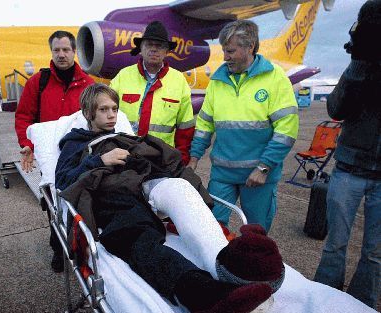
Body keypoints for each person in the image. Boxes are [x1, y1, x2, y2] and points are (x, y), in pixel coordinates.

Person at [55, 83, 285, 313]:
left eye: (114, 108)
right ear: (88, 113)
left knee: (180, 188)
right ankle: (207, 295)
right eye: (104, 109)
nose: (112, 115)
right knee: (138, 238)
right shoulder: (75, 144)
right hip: (115, 195)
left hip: (145, 180)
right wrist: (99, 161)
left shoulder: (123, 137)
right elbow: (63, 181)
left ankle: (230, 271)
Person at [188, 20, 298, 232]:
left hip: (257, 176)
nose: (225, 57)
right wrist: (193, 159)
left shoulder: (275, 78)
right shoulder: (218, 81)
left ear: (250, 47)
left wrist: (264, 168)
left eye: (230, 51)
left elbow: (286, 130)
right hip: (222, 174)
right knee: (214, 229)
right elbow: (204, 125)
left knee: (255, 233)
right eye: (224, 51)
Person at [314, 1, 381, 308]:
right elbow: (336, 109)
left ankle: (362, 303)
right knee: (335, 244)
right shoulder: (358, 68)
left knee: (374, 251)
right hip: (350, 168)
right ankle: (325, 299)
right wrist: (358, 65)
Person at [14, 30, 94, 273]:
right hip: (50, 158)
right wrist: (26, 143)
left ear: (74, 52)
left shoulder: (88, 84)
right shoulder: (38, 82)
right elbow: (24, 116)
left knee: (81, 202)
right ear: (51, 52)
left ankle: (82, 248)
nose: (61, 55)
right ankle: (59, 249)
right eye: (56, 50)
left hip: (80, 155)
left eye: (66, 50)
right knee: (53, 204)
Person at [110, 21, 195, 165]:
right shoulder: (122, 77)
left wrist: (181, 160)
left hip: (161, 159)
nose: (154, 50)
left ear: (167, 51)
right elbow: (106, 117)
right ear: (141, 48)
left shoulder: (179, 81)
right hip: (125, 157)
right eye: (149, 44)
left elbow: (185, 129)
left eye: (159, 46)